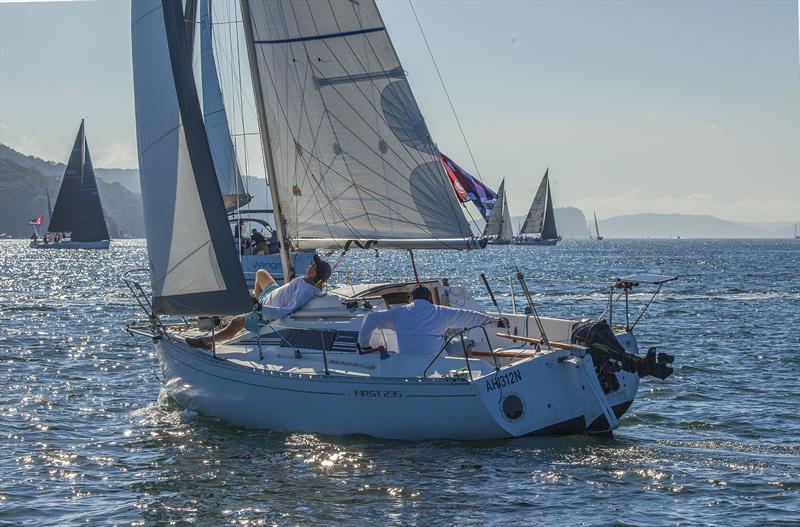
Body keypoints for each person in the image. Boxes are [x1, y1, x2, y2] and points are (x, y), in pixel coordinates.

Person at [186, 254, 332, 349]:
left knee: (236, 322)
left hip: (267, 310)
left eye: (313, 264)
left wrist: (260, 307)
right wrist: (289, 280)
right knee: (260, 273)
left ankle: (206, 342)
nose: (310, 264)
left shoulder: (306, 292)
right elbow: (292, 290)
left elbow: (285, 312)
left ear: (313, 272)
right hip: (271, 293)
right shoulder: (307, 281)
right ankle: (251, 310)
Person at [357, 285, 507, 356]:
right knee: (463, 341)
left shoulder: (398, 313)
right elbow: (469, 316)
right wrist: (495, 322)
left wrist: (365, 346)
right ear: (429, 298)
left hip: (406, 362)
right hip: (435, 362)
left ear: (411, 298)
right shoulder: (441, 312)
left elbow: (371, 318)